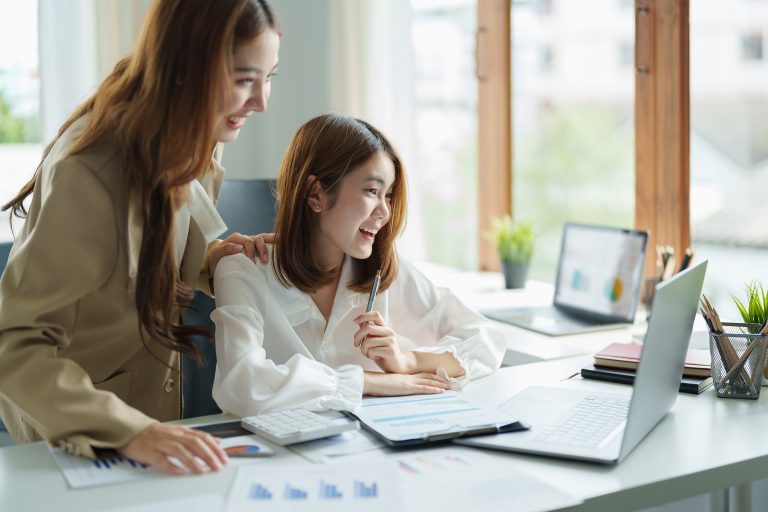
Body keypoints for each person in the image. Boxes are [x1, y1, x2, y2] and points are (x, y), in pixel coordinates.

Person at [0, 0, 280, 475]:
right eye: (243, 79)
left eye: (269, 76)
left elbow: (157, 241)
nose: (261, 101)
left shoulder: (190, 130)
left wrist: (212, 258)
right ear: (188, 69)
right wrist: (129, 431)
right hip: (77, 432)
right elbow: (13, 343)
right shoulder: (87, 175)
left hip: (148, 419)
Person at [211, 113, 506, 418]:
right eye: (371, 191)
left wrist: (408, 362)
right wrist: (366, 381)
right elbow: (240, 385)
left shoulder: (384, 272)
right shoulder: (243, 269)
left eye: (389, 196)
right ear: (316, 194)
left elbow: (487, 339)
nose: (385, 212)